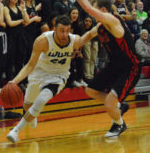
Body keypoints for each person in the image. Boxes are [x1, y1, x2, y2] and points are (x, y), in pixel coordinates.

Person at [65, 0, 141, 138]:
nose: (91, 11)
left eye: (95, 7)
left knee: (109, 103)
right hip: (115, 66)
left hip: (130, 67)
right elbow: (80, 41)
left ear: (104, 10)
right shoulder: (99, 27)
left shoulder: (113, 21)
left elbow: (87, 7)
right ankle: (118, 106)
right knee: (90, 90)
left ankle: (118, 124)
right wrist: (61, 40)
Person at [6, 15, 102, 143]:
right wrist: (15, 81)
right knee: (27, 104)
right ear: (54, 29)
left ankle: (15, 131)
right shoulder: (43, 41)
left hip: (58, 76)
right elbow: (30, 65)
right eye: (62, 31)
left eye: (68, 31)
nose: (65, 34)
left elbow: (89, 34)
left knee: (41, 100)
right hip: (39, 73)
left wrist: (102, 24)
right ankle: (32, 115)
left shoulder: (74, 41)